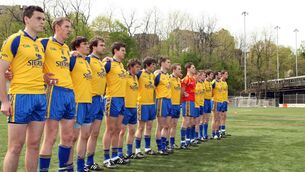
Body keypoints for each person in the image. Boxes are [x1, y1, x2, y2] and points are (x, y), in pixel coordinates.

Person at [0, 6, 46, 171]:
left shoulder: (40, 45)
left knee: (34, 145)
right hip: (21, 96)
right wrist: (4, 101)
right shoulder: (15, 40)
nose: (42, 22)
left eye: (43, 19)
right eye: (38, 18)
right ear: (27, 19)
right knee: (15, 147)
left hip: (40, 97)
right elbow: (1, 70)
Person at [37, 17, 75, 172]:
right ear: (57, 27)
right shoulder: (44, 43)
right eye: (66, 26)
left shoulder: (66, 48)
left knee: (68, 137)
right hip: (54, 92)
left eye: (70, 27)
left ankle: (63, 169)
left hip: (69, 93)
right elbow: (29, 61)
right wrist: (42, 76)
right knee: (50, 137)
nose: (69, 30)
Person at [69, 36, 93, 171]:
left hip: (88, 102)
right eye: (85, 44)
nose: (87, 46)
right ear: (77, 47)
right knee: (73, 137)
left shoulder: (86, 61)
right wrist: (70, 53)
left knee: (85, 136)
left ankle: (80, 167)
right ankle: (68, 166)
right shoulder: (72, 58)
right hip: (77, 102)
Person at [103, 42, 128, 168]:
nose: (124, 52)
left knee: (118, 129)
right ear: (115, 51)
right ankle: (106, 158)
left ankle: (114, 156)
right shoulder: (108, 63)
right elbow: (99, 72)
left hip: (122, 99)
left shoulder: (121, 65)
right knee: (110, 129)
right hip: (112, 98)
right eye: (122, 50)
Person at [85, 37, 107, 171]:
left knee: (95, 133)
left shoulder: (100, 62)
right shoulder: (88, 59)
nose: (104, 47)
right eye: (101, 45)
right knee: (85, 134)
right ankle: (82, 164)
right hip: (90, 99)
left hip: (100, 99)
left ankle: (90, 162)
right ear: (93, 47)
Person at [117, 59, 144, 159]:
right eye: (137, 67)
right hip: (125, 107)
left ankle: (129, 152)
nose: (138, 69)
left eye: (139, 67)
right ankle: (119, 153)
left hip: (134, 107)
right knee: (122, 131)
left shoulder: (136, 77)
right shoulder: (125, 76)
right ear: (131, 67)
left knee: (132, 130)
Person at [134, 57, 157, 156]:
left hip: (151, 104)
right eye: (153, 65)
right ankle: (137, 150)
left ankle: (147, 148)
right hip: (142, 104)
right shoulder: (139, 74)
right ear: (147, 65)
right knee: (140, 127)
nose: (154, 67)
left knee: (149, 126)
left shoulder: (152, 75)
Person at [154, 57, 172, 154]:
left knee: (167, 125)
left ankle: (164, 145)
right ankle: (160, 147)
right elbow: (152, 87)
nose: (169, 64)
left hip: (169, 101)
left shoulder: (167, 75)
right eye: (168, 62)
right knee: (161, 125)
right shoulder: (157, 74)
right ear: (162, 63)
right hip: (161, 100)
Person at [180, 62, 196, 149]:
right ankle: (182, 142)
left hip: (192, 101)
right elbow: (182, 91)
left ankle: (188, 140)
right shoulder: (185, 79)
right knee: (186, 121)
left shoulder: (193, 79)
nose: (194, 69)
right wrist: (182, 98)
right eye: (193, 67)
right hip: (187, 102)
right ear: (188, 69)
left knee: (190, 121)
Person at [169, 63, 182, 149]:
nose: (180, 71)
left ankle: (172, 143)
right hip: (171, 104)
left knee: (174, 125)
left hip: (177, 105)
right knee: (168, 125)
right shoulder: (169, 78)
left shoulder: (179, 80)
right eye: (179, 69)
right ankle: (166, 143)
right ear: (174, 70)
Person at [201, 69, 214, 140]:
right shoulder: (204, 82)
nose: (212, 76)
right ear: (207, 75)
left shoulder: (210, 83)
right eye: (211, 75)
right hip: (204, 101)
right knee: (203, 119)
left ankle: (205, 134)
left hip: (209, 101)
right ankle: (201, 135)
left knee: (207, 119)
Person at [211, 71, 223, 140]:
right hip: (215, 102)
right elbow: (210, 92)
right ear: (216, 75)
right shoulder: (213, 82)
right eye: (219, 74)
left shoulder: (220, 82)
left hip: (220, 101)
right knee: (214, 118)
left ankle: (217, 132)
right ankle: (213, 133)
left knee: (218, 118)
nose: (220, 75)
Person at [219, 70, 229, 137]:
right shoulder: (219, 82)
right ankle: (219, 131)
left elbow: (226, 92)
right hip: (220, 101)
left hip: (225, 101)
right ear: (222, 75)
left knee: (224, 116)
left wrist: (227, 99)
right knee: (220, 116)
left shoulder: (225, 82)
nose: (227, 75)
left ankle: (223, 131)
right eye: (226, 74)